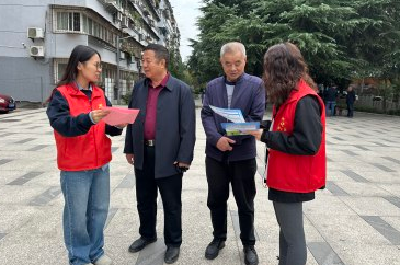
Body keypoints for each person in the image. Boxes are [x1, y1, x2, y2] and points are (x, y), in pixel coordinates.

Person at [47, 45, 126, 265]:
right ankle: (79, 258)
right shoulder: (61, 95)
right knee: (77, 218)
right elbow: (62, 125)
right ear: (80, 65)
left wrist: (118, 124)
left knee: (99, 212)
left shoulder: (99, 93)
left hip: (101, 164)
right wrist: (88, 118)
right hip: (75, 168)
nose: (99, 70)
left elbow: (107, 125)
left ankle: (96, 252)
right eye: (96, 65)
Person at [249, 43, 326, 265]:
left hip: (292, 179)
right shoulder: (290, 96)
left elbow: (308, 143)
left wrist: (264, 136)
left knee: (293, 237)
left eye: (268, 69)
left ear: (279, 70)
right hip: (283, 177)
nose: (266, 75)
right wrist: (254, 125)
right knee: (286, 231)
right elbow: (281, 125)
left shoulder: (304, 100)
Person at [124, 44, 196, 264]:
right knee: (144, 199)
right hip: (143, 152)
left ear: (162, 63)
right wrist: (130, 147)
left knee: (171, 203)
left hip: (170, 156)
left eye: (147, 60)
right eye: (142, 60)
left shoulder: (181, 90)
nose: (143, 65)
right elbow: (131, 118)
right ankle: (147, 234)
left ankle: (173, 243)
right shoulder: (139, 88)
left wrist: (185, 157)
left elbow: (188, 128)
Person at [201, 42, 265, 265]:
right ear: (221, 63)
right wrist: (216, 139)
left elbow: (255, 119)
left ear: (245, 60)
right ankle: (218, 238)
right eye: (228, 64)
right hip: (216, 154)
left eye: (237, 63)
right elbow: (207, 115)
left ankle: (249, 244)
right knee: (216, 199)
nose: (233, 68)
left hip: (243, 155)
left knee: (245, 201)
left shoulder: (256, 85)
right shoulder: (212, 86)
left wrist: (229, 135)